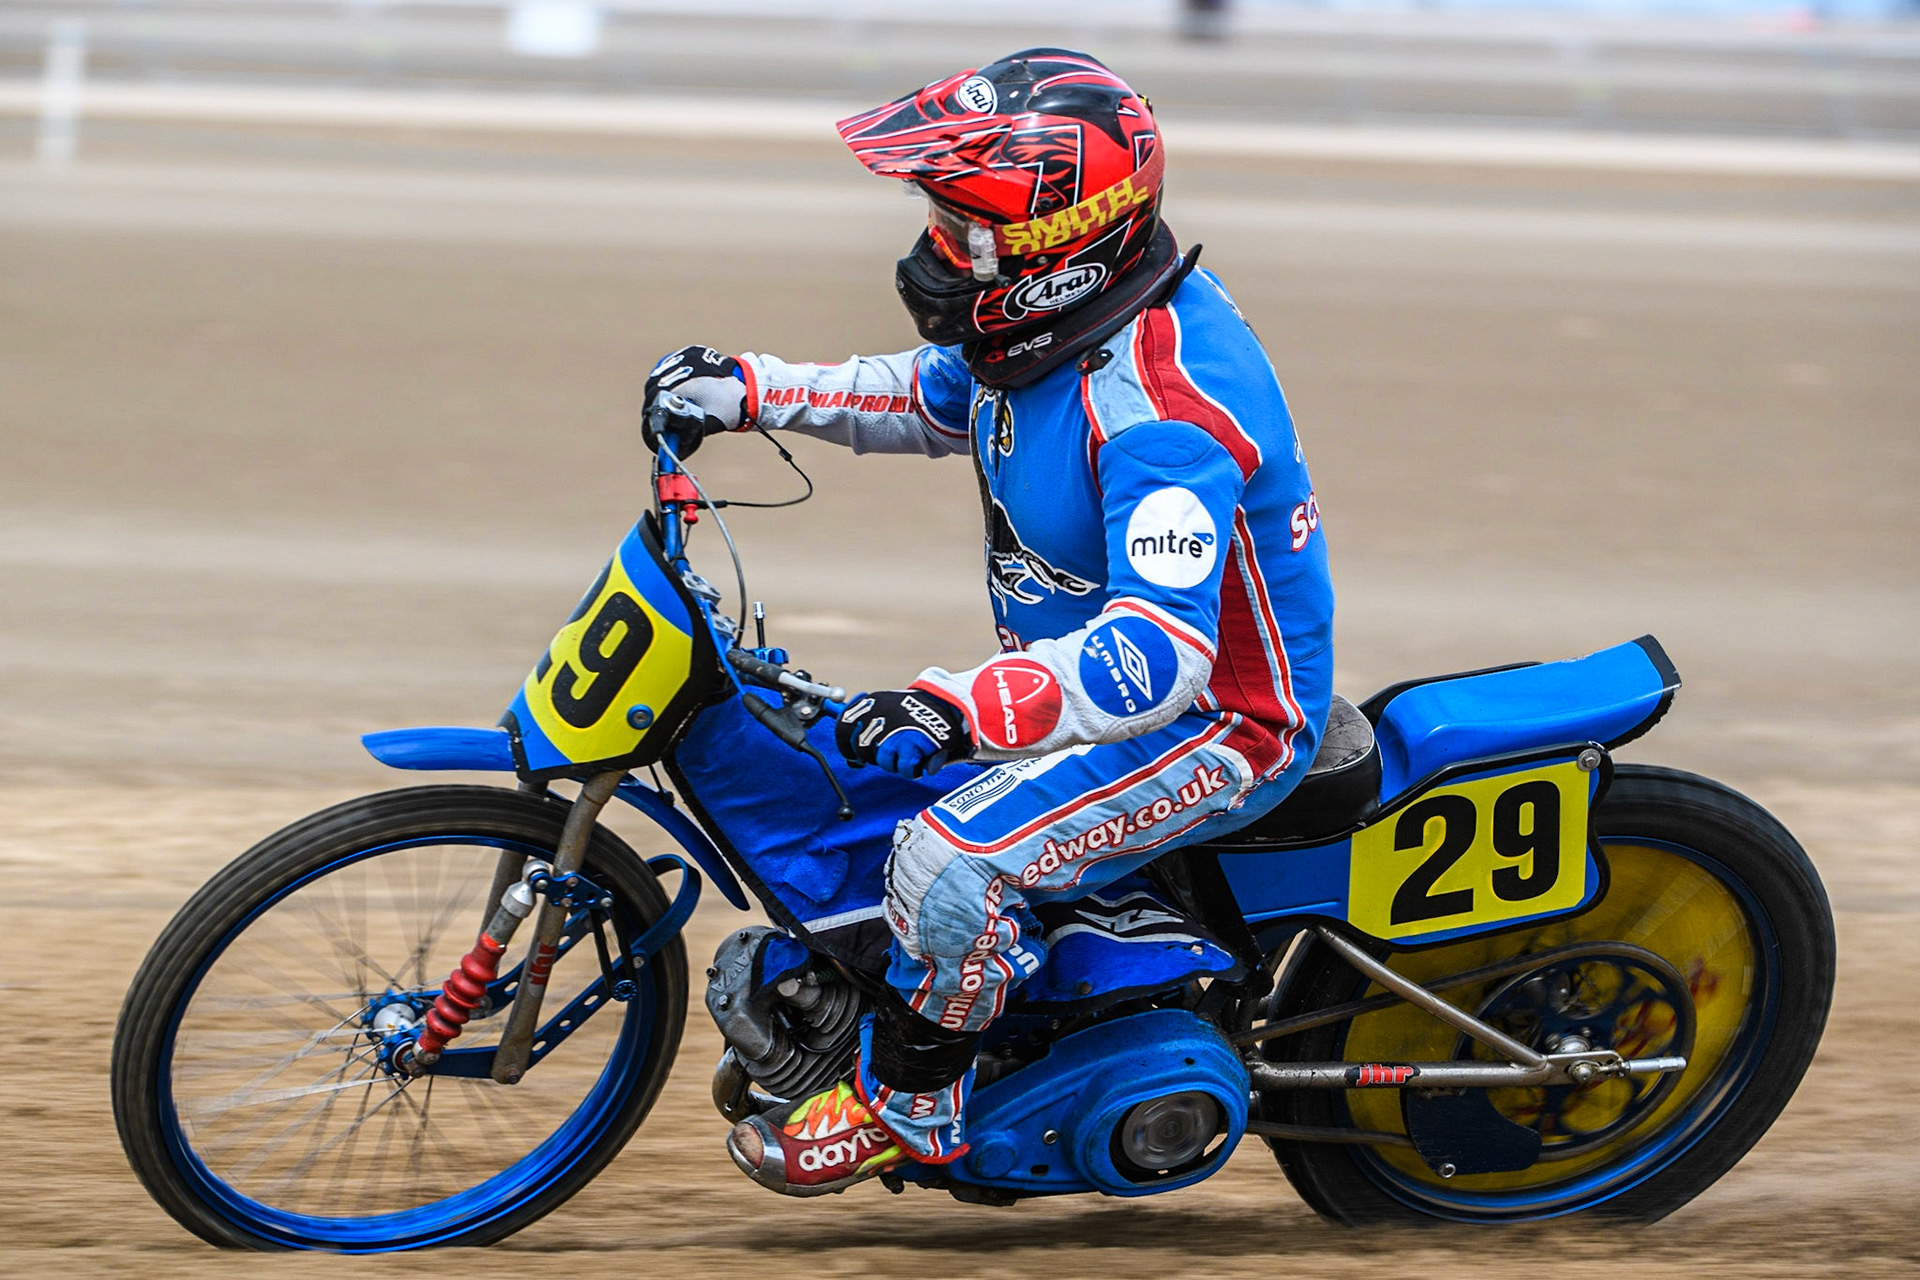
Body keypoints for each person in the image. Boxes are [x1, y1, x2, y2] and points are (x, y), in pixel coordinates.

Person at [642, 48, 1333, 1197]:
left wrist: (956, 702)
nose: (936, 250)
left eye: (967, 230)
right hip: (1090, 689)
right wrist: (751, 388)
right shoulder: (1051, 336)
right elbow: (928, 394)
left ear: (1065, 245)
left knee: (949, 863)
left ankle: (915, 1105)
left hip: (1220, 725)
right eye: (941, 218)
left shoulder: (1162, 411)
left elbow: (1156, 655)